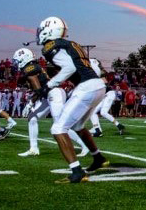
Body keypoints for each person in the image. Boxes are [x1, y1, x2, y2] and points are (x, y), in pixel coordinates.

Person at [38, 16, 108, 183]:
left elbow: (69, 67)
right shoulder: (71, 44)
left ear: (49, 30)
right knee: (77, 126)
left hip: (87, 87)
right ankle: (98, 158)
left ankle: (77, 171)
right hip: (98, 85)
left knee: (58, 129)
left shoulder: (51, 45)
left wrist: (49, 85)